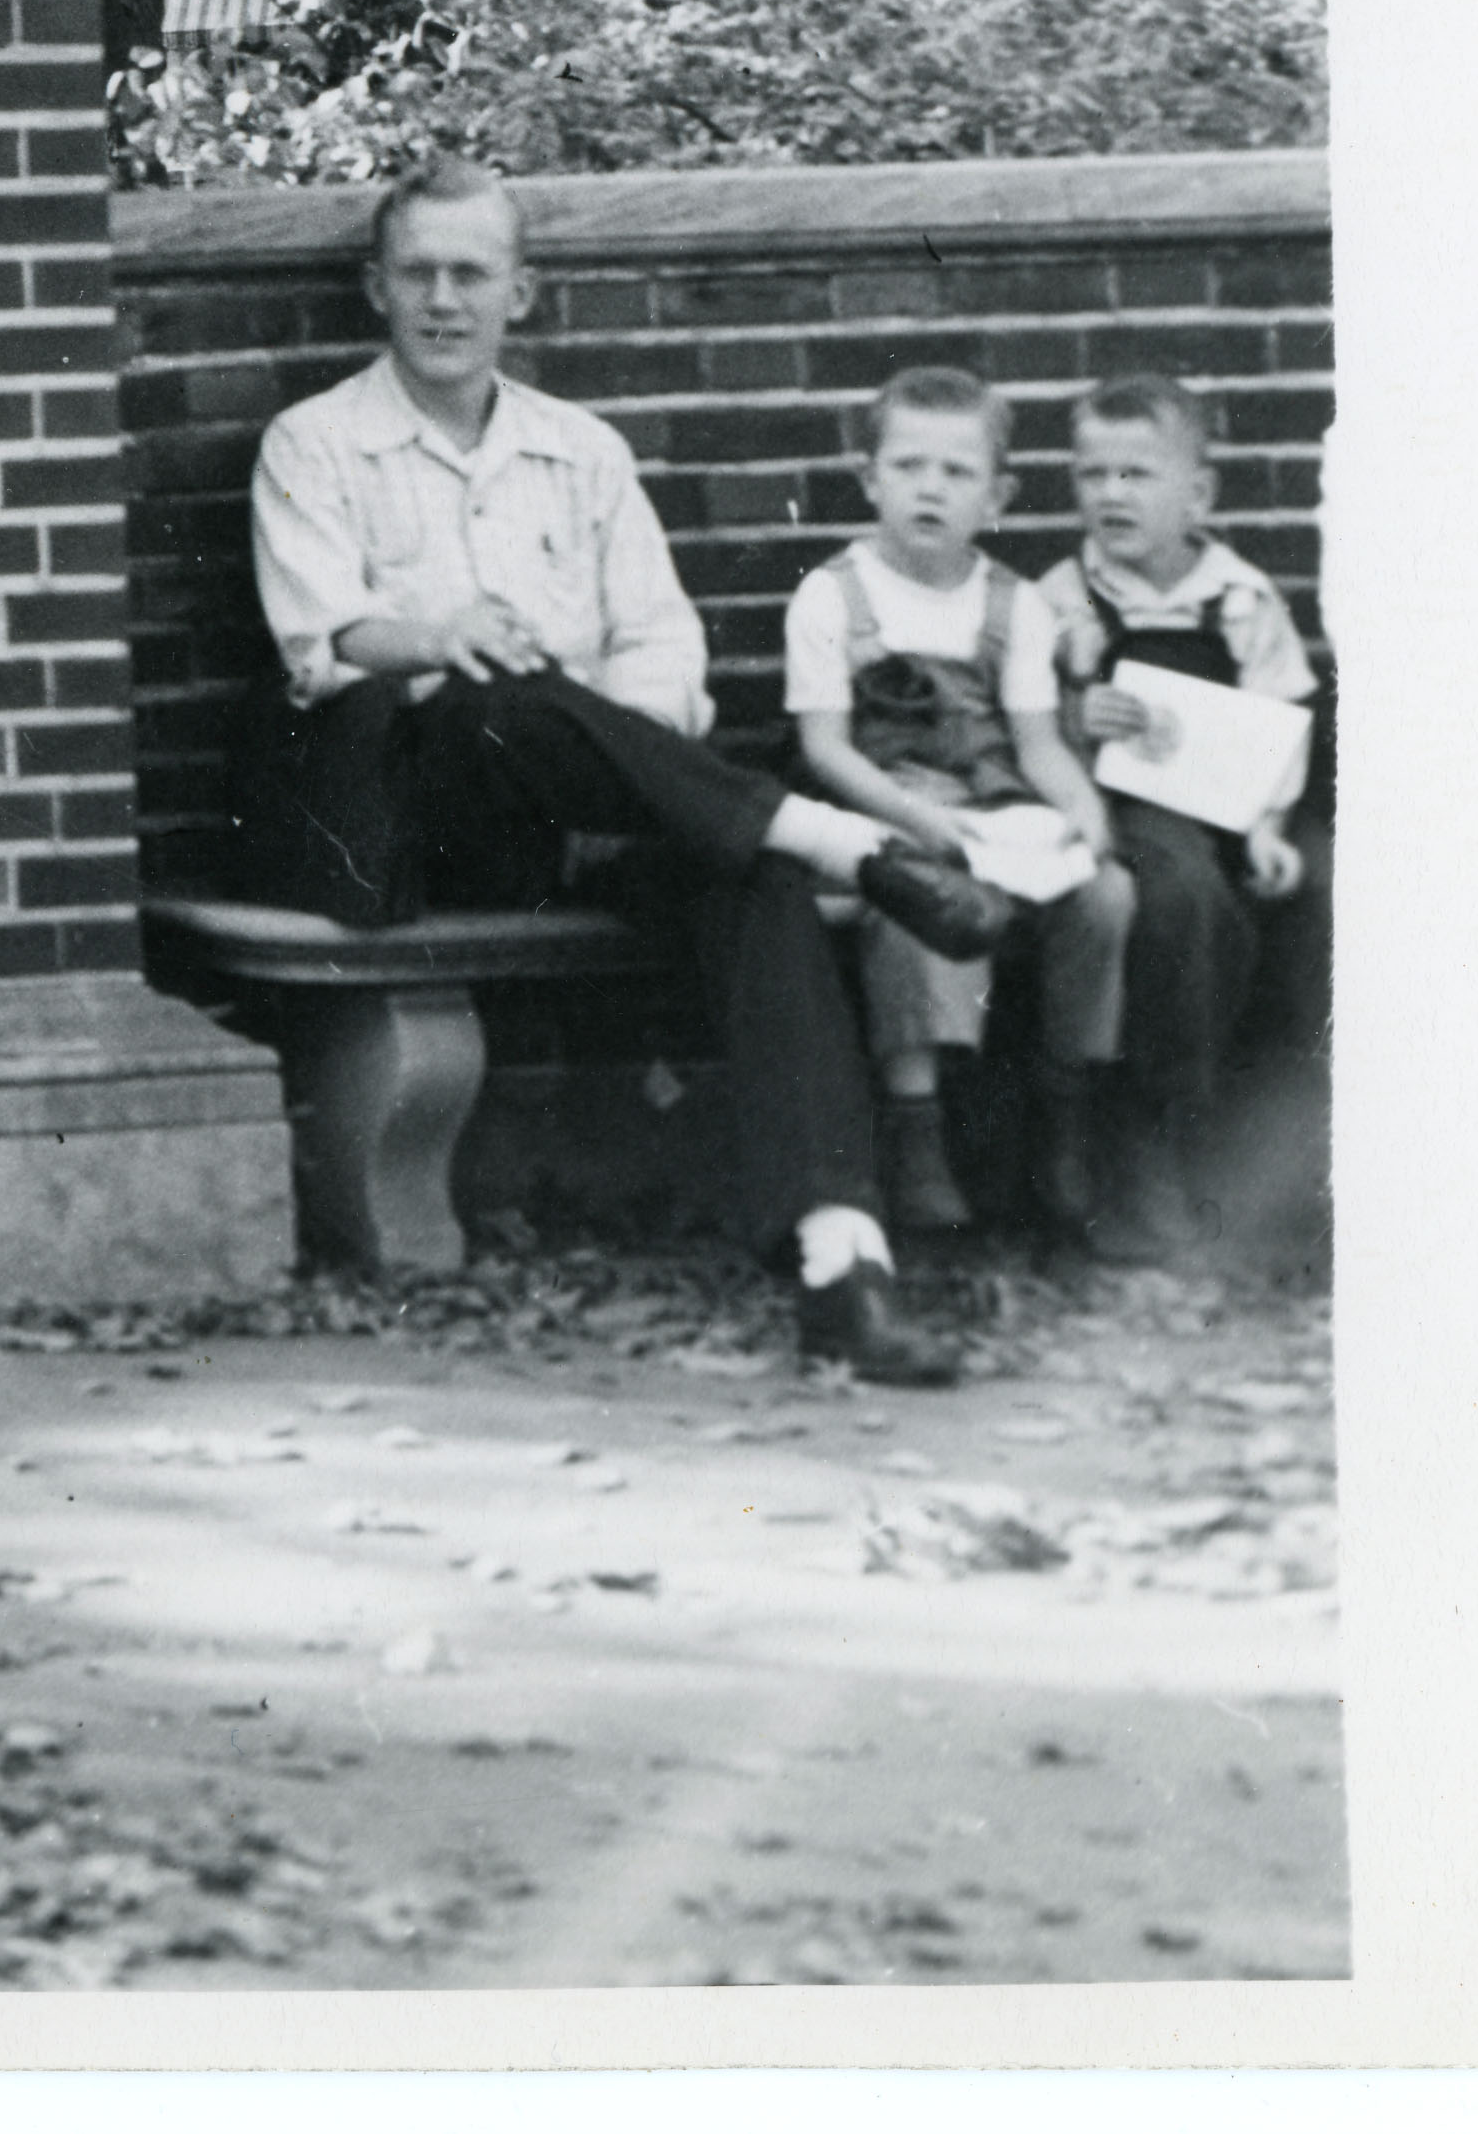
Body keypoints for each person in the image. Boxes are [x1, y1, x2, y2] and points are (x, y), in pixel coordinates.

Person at [245, 153, 1001, 1385]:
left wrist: (610, 769)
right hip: (427, 812)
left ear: (521, 291)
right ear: (373, 286)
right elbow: (320, 638)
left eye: (471, 273)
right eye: (419, 272)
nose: (444, 298)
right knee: (508, 696)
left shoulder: (581, 451)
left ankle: (841, 1264)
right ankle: (850, 842)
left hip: (605, 814)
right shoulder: (314, 443)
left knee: (747, 873)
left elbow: (666, 652)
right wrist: (444, 637)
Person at [778, 365, 1140, 1254]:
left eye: (956, 472)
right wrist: (914, 819)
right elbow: (825, 749)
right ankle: (916, 1131)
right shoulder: (833, 595)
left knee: (1105, 894)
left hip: (993, 808)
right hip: (886, 807)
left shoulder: (1013, 605)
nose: (929, 489)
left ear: (999, 496)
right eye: (907, 468)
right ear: (869, 480)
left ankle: (1064, 1118)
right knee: (917, 905)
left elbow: (1038, 743)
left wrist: (1083, 814)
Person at [1055, 373, 1322, 1270]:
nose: (1111, 495)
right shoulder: (1064, 596)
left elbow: (1281, 728)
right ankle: (1151, 1136)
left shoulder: (1241, 597)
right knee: (1179, 895)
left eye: (1136, 475)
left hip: (1238, 808)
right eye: (1092, 475)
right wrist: (1076, 711)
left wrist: (1270, 828)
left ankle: (1295, 1151)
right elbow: (1029, 720)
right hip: (1125, 805)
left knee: (1312, 902)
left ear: (1197, 494)